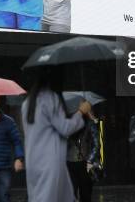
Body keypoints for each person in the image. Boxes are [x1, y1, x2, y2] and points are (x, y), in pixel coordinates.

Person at [21, 69, 92, 202]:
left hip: (33, 161)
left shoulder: (28, 103)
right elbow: (65, 128)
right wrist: (81, 112)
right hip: (50, 161)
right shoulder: (51, 98)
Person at [66, 111, 100, 202]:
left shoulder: (89, 123)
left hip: (85, 163)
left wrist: (90, 160)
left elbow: (96, 144)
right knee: (70, 194)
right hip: (69, 163)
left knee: (85, 194)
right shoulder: (67, 125)